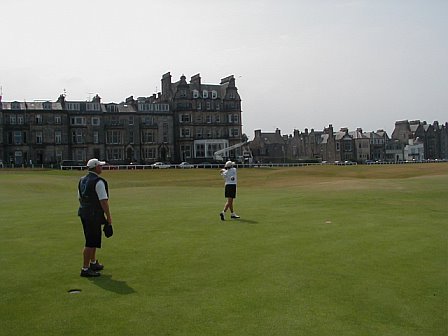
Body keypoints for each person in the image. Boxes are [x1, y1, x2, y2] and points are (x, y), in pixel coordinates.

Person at [77, 158, 112, 277]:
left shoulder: (82, 180)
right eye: (100, 166)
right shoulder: (99, 182)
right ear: (95, 167)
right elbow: (104, 201)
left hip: (84, 212)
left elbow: (80, 197)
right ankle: (85, 269)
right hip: (94, 214)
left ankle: (93, 262)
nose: (101, 168)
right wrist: (109, 218)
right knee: (90, 242)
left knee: (94, 239)